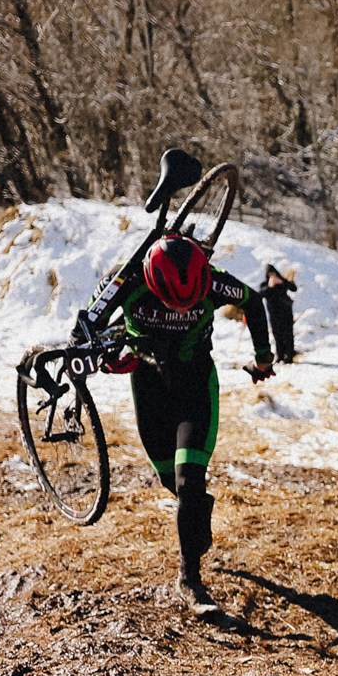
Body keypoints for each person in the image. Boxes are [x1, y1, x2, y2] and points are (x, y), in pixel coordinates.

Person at [90, 233, 274, 613]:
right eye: (173, 304)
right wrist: (110, 357)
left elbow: (252, 302)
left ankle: (190, 579)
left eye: (190, 304)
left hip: (195, 384)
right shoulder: (125, 281)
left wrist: (263, 357)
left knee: (190, 479)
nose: (181, 310)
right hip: (149, 386)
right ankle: (194, 516)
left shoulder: (214, 278)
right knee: (170, 480)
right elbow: (88, 333)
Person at [260, 264, 299, 364]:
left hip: (286, 312)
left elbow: (293, 288)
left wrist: (283, 281)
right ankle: (280, 355)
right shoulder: (265, 284)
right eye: (270, 274)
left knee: (288, 334)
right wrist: (270, 286)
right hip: (274, 314)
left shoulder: (282, 282)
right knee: (277, 335)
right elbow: (261, 294)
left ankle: (289, 356)